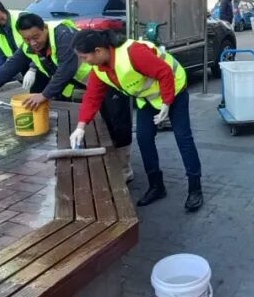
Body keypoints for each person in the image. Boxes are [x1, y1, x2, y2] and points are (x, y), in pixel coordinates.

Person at [0, 14, 134, 180]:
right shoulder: (28, 47)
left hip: (110, 78)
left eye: (36, 37)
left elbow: (67, 69)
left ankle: (124, 168)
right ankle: (108, 164)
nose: (33, 42)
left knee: (117, 122)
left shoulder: (62, 35)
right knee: (98, 124)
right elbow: (7, 69)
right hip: (90, 83)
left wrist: (44, 95)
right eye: (27, 39)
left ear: (44, 29)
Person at [69, 30, 203, 212]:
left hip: (174, 89)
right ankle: (156, 186)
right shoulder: (99, 70)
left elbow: (164, 72)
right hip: (148, 99)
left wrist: (166, 103)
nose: (84, 62)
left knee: (183, 138)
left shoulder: (133, 53)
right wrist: (81, 126)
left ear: (98, 51)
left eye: (84, 57)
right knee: (144, 138)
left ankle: (195, 189)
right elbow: (92, 97)